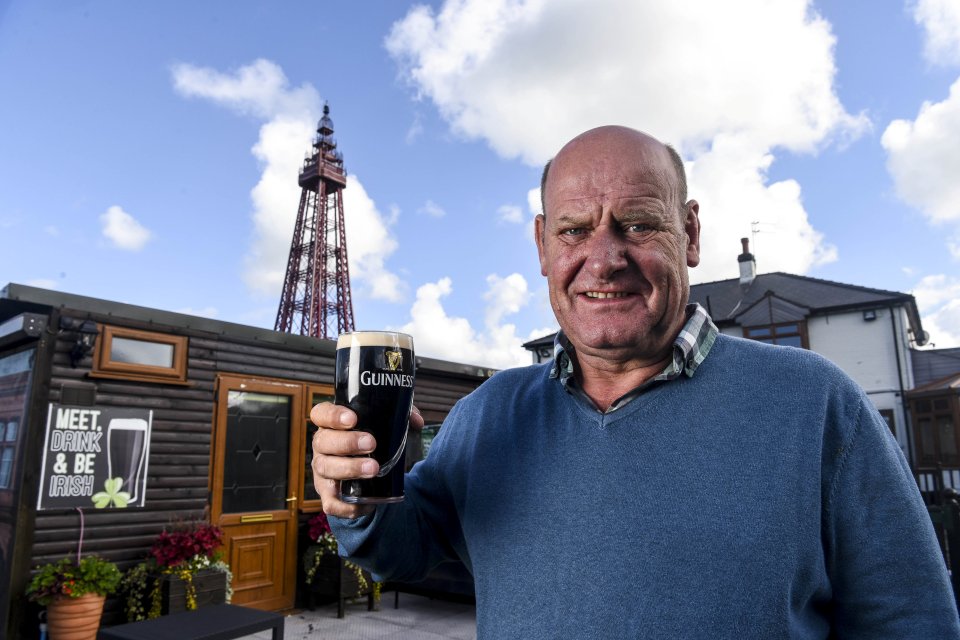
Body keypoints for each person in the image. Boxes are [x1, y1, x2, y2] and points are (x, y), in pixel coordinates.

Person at [311, 125, 960, 638]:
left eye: (639, 222)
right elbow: (402, 551)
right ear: (542, 246)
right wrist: (357, 492)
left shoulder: (819, 407)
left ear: (691, 232)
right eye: (574, 229)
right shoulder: (490, 414)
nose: (605, 257)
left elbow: (912, 623)